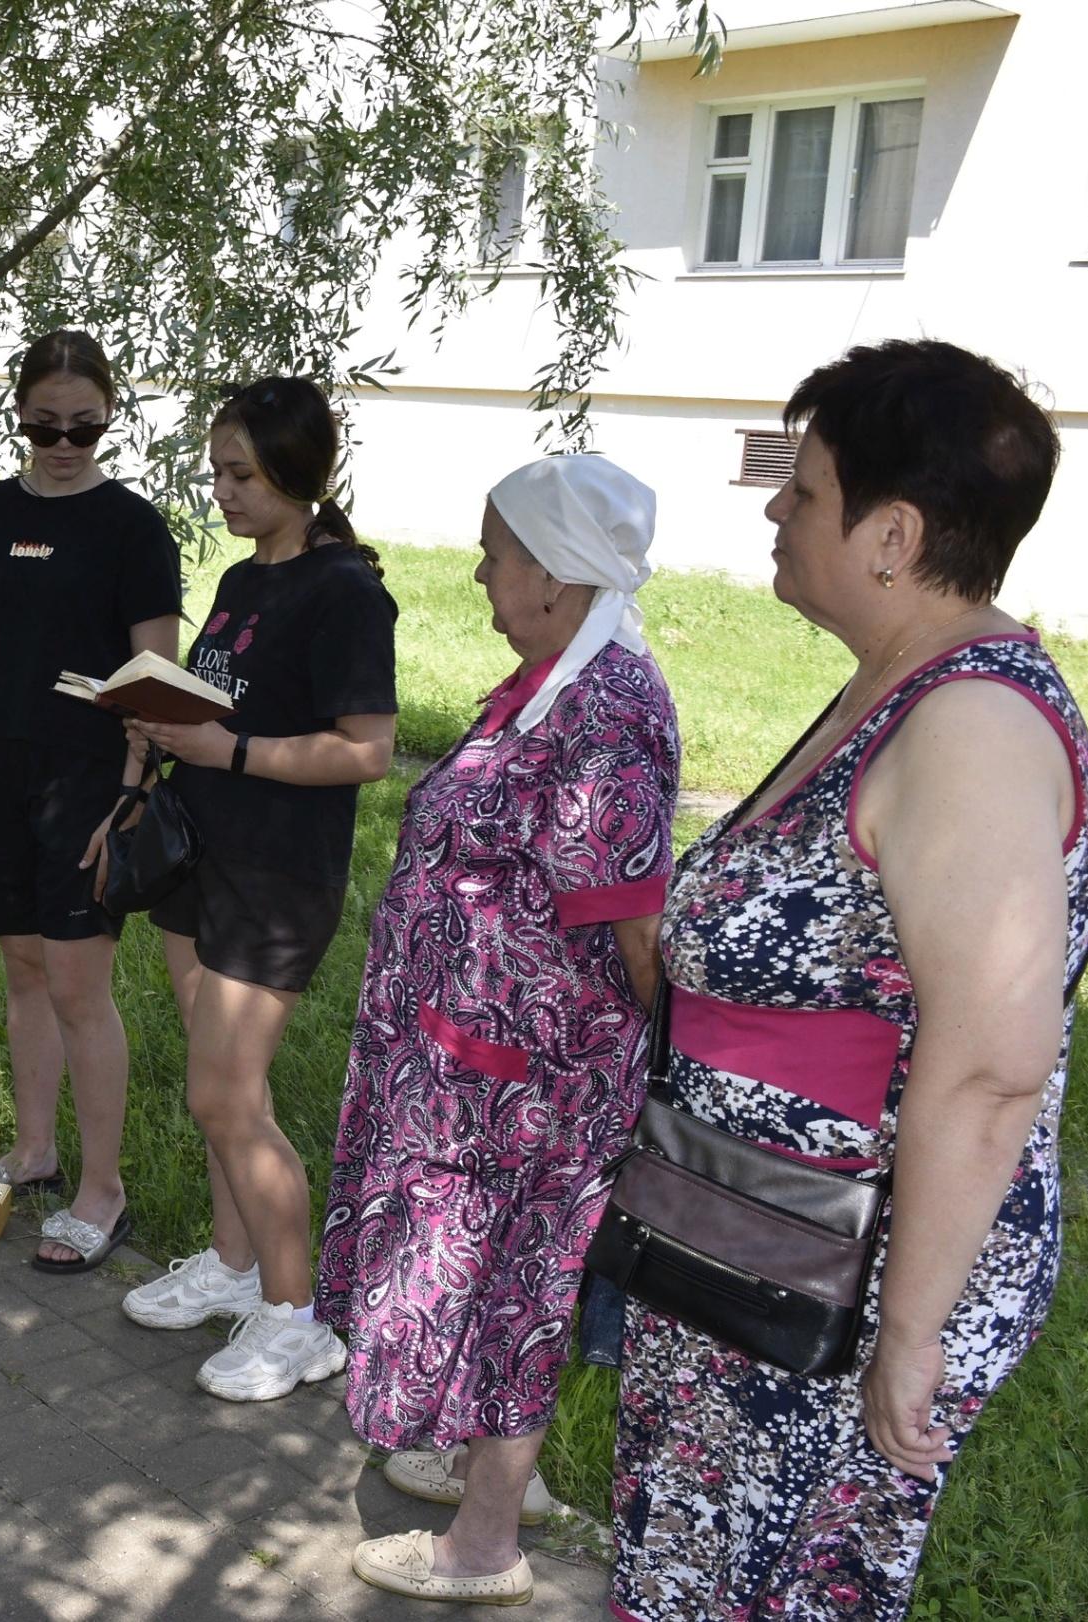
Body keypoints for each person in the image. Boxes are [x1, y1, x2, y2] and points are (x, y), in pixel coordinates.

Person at [610, 341, 1088, 1620]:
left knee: (772, 1587)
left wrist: (909, 1332)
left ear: (889, 534)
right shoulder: (891, 686)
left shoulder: (970, 727)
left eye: (804, 489)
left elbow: (994, 1066)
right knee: (689, 1570)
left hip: (846, 1278)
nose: (775, 510)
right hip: (750, 1234)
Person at [316, 455, 677, 1605]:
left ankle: (483, 1541)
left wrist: (648, 1071)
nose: (478, 571)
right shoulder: (548, 682)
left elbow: (633, 927)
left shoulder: (610, 708)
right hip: (472, 1069)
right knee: (476, 1279)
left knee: (513, 1287)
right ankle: (478, 1463)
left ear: (556, 576)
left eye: (493, 551)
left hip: (531, 1086)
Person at [117, 378, 397, 1395]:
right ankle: (234, 1268)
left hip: (276, 874)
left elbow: (365, 752)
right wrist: (159, 723)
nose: (223, 492)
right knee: (223, 1089)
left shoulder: (345, 592)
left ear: (296, 471)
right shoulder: (241, 580)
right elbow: (221, 703)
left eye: (240, 474)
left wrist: (222, 748)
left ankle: (296, 1312)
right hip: (203, 853)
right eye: (216, 472)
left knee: (223, 1091)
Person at [0, 328, 183, 1272]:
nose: (66, 445)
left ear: (110, 419)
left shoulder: (133, 526)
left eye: (86, 427)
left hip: (87, 776)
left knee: (79, 984)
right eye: (46, 426)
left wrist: (128, 794)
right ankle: (33, 1152)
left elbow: (158, 674)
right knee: (24, 968)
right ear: (18, 418)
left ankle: (100, 1192)